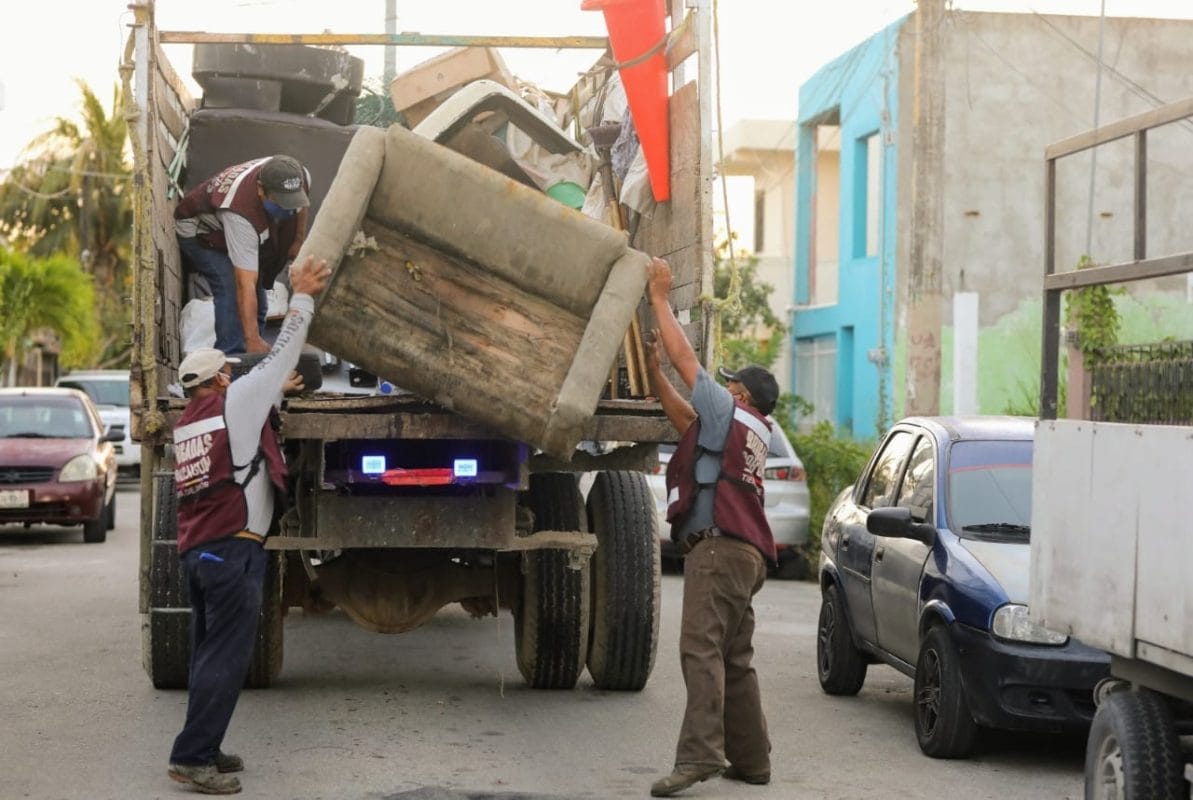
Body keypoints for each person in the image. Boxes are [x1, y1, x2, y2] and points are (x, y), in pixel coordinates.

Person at [166, 254, 330, 796]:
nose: (235, 375)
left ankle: (204, 746)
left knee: (207, 656)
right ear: (219, 377)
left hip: (200, 552)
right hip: (232, 554)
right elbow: (280, 358)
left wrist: (268, 397)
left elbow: (240, 430)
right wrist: (302, 294)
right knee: (225, 659)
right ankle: (192, 758)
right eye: (229, 373)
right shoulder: (236, 400)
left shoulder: (192, 420)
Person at [644, 256, 779, 798]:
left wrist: (659, 297)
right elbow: (682, 417)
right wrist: (654, 373)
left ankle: (701, 755)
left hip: (719, 551)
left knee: (699, 648)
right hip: (746, 556)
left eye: (728, 387)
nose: (718, 390)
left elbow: (688, 362)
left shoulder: (729, 413)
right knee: (733, 658)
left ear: (739, 397)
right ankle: (753, 760)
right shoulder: (748, 428)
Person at [175, 154, 312, 356]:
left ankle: (253, 350)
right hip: (200, 234)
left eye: (292, 201)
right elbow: (244, 283)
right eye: (281, 202)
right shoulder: (240, 213)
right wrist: (251, 339)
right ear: (260, 189)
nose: (289, 209)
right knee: (230, 288)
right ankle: (232, 357)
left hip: (231, 226)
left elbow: (302, 206)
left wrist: (298, 240)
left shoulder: (297, 175)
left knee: (260, 302)